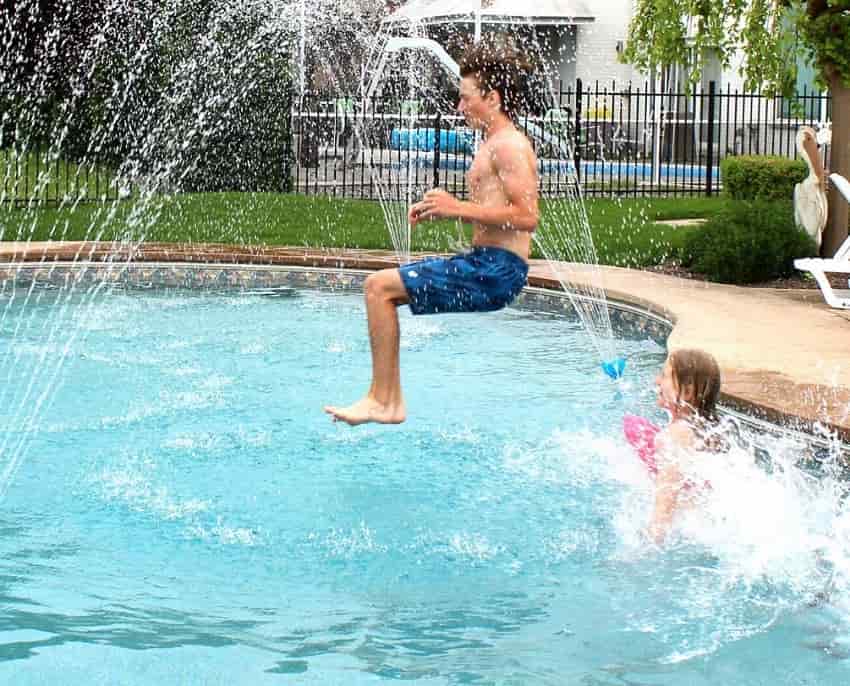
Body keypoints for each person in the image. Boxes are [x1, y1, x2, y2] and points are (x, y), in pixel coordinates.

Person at [324, 41, 539, 426]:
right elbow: (495, 208)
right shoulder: (493, 143)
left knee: (378, 288)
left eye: (466, 98)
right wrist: (443, 207)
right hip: (486, 264)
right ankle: (384, 399)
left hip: (497, 269)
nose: (460, 107)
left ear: (492, 98)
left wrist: (456, 208)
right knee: (380, 290)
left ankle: (385, 401)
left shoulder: (509, 146)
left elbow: (527, 216)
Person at [647, 349, 722, 544]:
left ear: (687, 391)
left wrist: (648, 543)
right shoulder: (703, 431)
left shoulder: (677, 435)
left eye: (664, 376)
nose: (657, 381)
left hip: (697, 535)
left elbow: (666, 499)